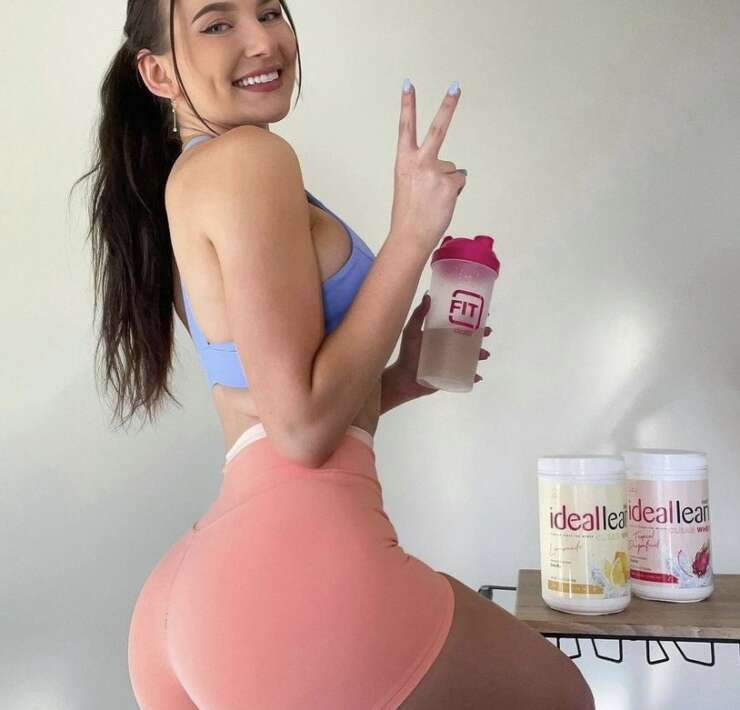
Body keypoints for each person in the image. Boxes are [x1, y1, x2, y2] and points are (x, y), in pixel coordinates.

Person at [75, 1, 595, 707]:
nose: (262, 40)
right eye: (218, 24)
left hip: (200, 596)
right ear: (158, 73)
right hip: (296, 575)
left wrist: (395, 381)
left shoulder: (195, 176)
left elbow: (269, 406)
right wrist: (411, 234)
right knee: (561, 697)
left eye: (269, 11)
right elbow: (301, 430)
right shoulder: (249, 159)